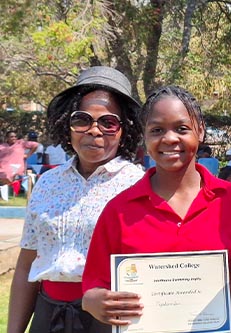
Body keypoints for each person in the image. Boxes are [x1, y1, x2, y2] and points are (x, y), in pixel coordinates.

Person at [81, 85, 231, 333]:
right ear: (144, 136)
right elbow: (93, 287)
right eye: (156, 130)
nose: (169, 139)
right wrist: (94, 301)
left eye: (182, 128)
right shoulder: (118, 211)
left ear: (200, 130)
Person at [7, 66, 145, 333]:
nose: (94, 130)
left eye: (108, 122)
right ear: (67, 124)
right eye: (82, 119)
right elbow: (26, 265)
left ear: (124, 129)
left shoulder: (139, 185)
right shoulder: (47, 183)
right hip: (48, 315)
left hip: (109, 320)